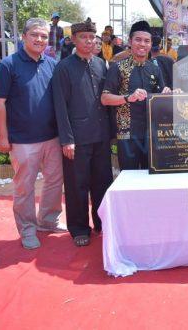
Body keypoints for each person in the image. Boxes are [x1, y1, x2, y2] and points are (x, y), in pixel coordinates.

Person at [0, 18, 66, 250]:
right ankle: (27, 229)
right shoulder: (8, 65)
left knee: (55, 181)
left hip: (52, 136)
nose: (39, 39)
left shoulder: (52, 64)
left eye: (44, 36)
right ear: (24, 36)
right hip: (22, 139)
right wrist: (3, 135)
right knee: (25, 186)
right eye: (34, 35)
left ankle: (48, 220)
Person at [52, 18, 112, 248]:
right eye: (83, 37)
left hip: (101, 135)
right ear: (74, 40)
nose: (89, 41)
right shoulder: (64, 67)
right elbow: (60, 105)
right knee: (77, 185)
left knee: (102, 182)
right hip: (77, 138)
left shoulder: (101, 64)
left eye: (91, 37)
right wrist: (66, 139)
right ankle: (78, 228)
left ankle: (102, 223)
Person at [101, 20, 171, 169]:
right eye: (138, 40)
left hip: (151, 133)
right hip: (126, 134)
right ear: (130, 42)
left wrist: (167, 93)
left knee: (150, 176)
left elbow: (161, 97)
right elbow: (105, 98)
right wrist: (128, 97)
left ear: (151, 44)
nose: (142, 44)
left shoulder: (154, 69)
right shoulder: (118, 67)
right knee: (128, 175)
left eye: (147, 41)